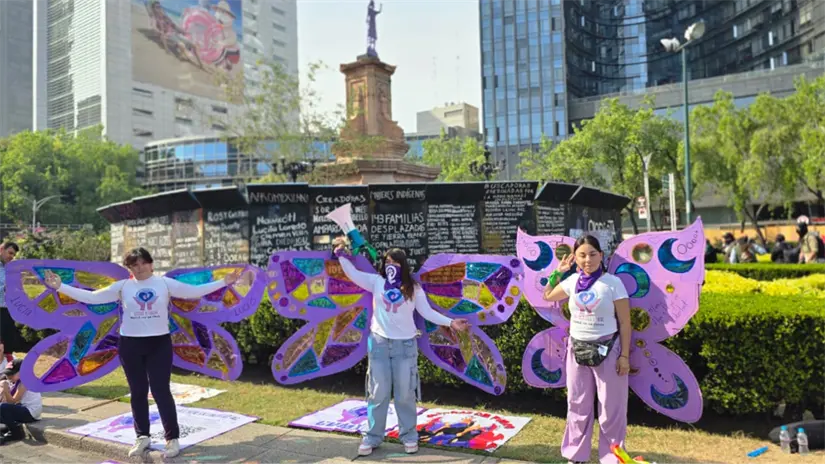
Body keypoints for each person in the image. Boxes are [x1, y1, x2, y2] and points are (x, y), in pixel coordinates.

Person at [43, 247, 239, 458]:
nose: (140, 268)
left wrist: (223, 282)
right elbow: (93, 298)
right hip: (130, 345)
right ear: (130, 268)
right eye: (134, 265)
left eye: (143, 263)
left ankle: (172, 439)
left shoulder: (164, 283)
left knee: (161, 390)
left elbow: (193, 292)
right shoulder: (123, 286)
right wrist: (61, 286)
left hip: (159, 344)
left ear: (151, 264)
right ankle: (142, 437)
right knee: (137, 392)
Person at [332, 238, 469, 457]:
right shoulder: (376, 282)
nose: (391, 266)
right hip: (379, 344)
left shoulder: (413, 288)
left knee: (405, 393)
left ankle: (409, 436)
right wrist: (340, 254)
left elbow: (426, 312)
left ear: (403, 265)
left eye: (395, 262)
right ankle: (373, 436)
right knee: (378, 392)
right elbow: (353, 274)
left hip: (405, 345)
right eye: (387, 262)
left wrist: (451, 322)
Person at [542, 235, 631, 464]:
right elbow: (548, 295)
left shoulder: (613, 283)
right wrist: (559, 272)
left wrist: (624, 356)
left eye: (592, 254)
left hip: (608, 349)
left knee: (611, 408)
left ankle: (612, 458)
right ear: (576, 258)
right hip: (577, 349)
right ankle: (576, 456)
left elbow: (625, 323)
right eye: (582, 255)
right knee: (577, 405)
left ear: (601, 256)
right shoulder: (571, 281)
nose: (587, 259)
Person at [0, 358, 42, 445]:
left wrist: (5, 390)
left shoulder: (25, 383)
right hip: (22, 407)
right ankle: (6, 427)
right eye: (7, 374)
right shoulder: (16, 381)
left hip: (31, 413)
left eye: (11, 375)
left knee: (3, 407)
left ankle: (15, 433)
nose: (8, 377)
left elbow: (11, 401)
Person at [0, 242, 19, 365]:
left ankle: (7, 375)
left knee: (8, 343)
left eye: (14, 254)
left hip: (7, 310)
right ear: (1, 249)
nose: (11, 256)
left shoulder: (10, 269)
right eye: (10, 253)